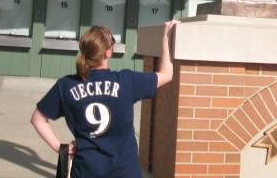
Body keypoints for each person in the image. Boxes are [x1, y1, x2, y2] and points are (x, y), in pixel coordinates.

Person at [31, 21, 178, 177]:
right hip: (125, 171)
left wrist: (61, 148)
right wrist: (166, 36)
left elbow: (37, 119)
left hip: (86, 171)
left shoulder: (66, 85)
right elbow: (167, 75)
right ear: (108, 52)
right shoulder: (126, 81)